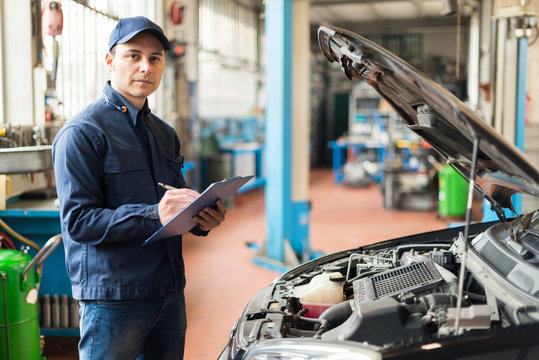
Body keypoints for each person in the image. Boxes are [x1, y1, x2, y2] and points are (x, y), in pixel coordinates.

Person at [52, 16, 227, 360]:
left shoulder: (164, 133)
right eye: (133, 55)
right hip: (115, 299)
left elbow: (175, 204)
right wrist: (152, 214)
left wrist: (202, 217)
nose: (145, 67)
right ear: (110, 61)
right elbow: (78, 222)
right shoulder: (83, 134)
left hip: (169, 291)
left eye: (155, 58)